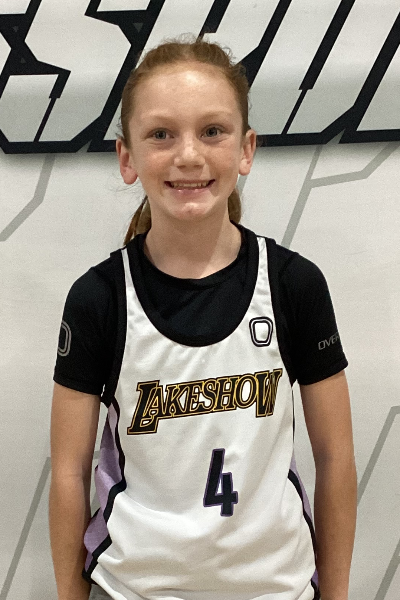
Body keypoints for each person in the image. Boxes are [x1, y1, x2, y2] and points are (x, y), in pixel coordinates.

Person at [50, 34, 357, 600]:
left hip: (277, 588)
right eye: (161, 134)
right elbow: (68, 473)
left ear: (246, 149)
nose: (188, 155)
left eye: (212, 131)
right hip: (135, 589)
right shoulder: (99, 298)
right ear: (127, 157)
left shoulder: (293, 285)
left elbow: (336, 459)